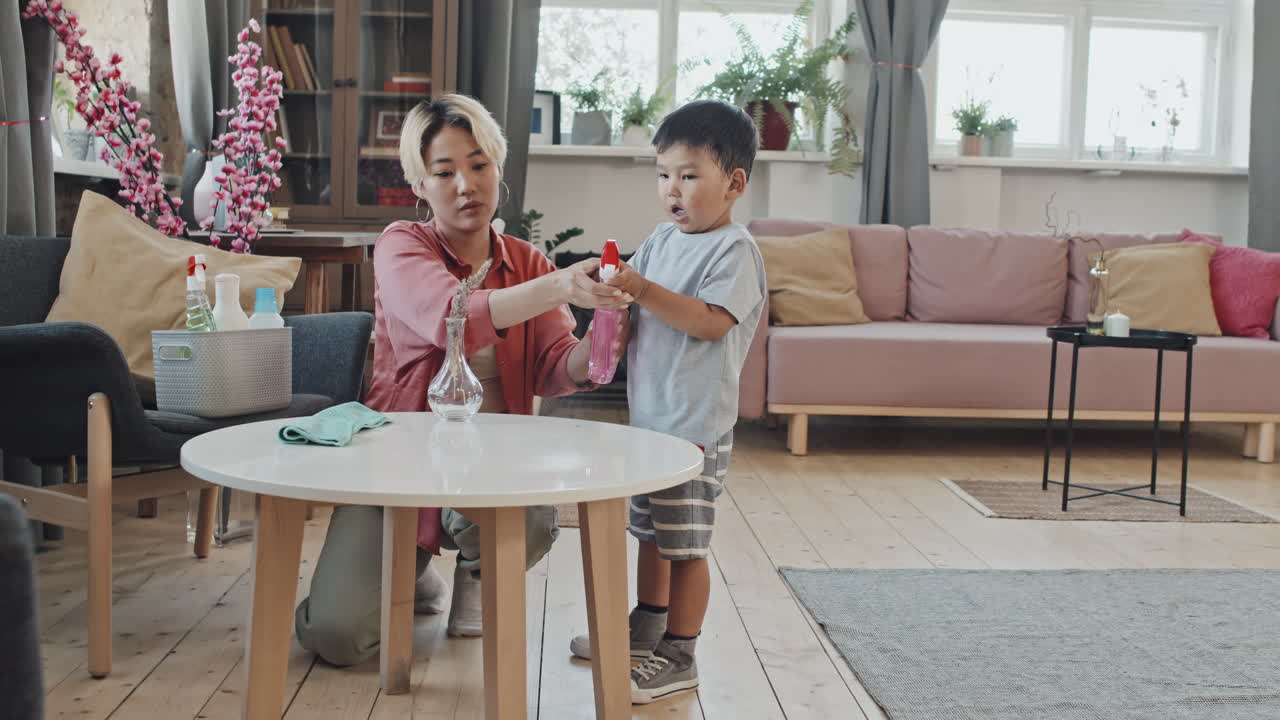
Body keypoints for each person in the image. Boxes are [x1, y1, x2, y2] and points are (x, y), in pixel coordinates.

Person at [294, 93, 630, 667]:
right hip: (399, 464)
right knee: (335, 636)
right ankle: (416, 573)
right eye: (444, 172)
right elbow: (451, 315)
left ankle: (477, 567)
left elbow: (556, 365)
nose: (465, 185)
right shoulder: (403, 244)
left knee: (525, 518)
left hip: (494, 467)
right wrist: (559, 288)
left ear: (499, 168)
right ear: (420, 185)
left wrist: (603, 334)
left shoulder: (529, 263)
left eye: (479, 165)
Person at [568, 100, 767, 703]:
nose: (671, 190)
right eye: (663, 175)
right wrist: (612, 294)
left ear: (733, 184)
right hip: (651, 424)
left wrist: (644, 288)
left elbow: (709, 323)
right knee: (649, 533)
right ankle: (647, 625)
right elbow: (636, 299)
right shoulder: (660, 240)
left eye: (688, 175)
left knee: (685, 544)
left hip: (694, 430)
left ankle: (680, 651)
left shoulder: (734, 252)